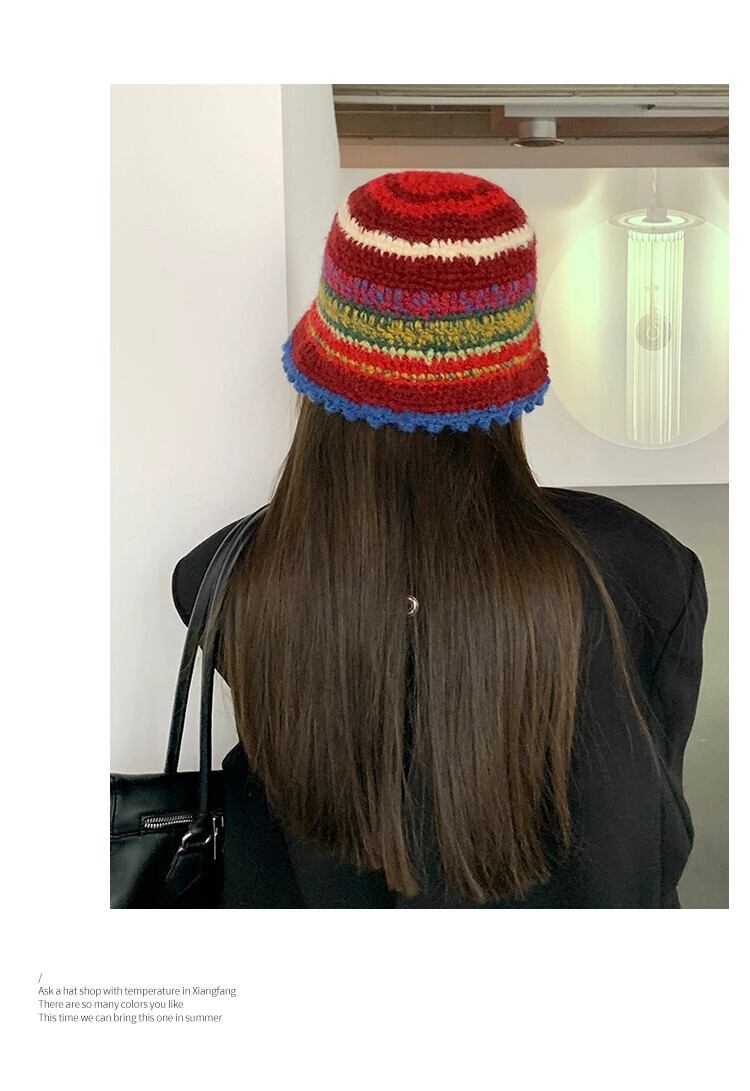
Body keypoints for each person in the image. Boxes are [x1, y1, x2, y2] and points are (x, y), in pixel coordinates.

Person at [172, 169, 708, 909]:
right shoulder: (644, 570)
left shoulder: (224, 576)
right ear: (512, 377)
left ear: (325, 372)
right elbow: (658, 835)